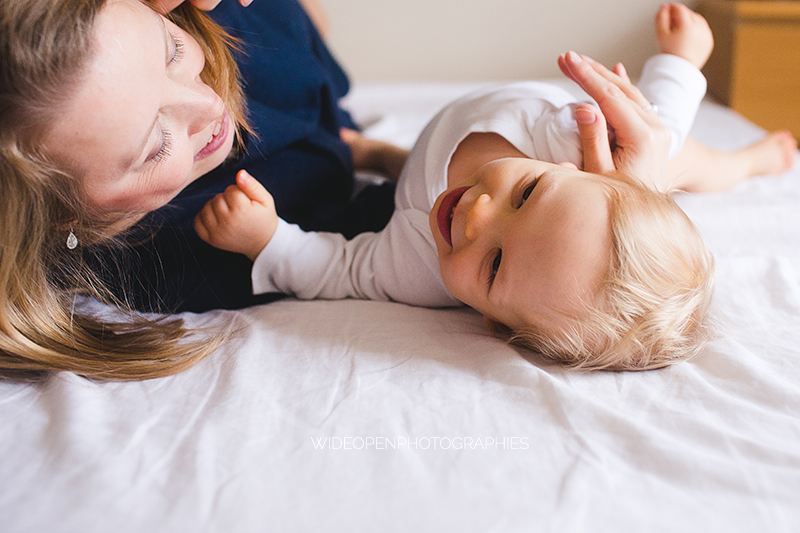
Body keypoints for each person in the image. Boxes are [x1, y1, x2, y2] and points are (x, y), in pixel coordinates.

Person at [195, 4, 798, 370]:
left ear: (493, 323)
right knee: (680, 158)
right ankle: (743, 163)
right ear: (574, 172)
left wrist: (267, 240)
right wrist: (680, 61)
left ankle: (749, 162)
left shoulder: (420, 271)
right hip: (598, 145)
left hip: (428, 157)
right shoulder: (585, 144)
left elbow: (339, 268)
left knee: (411, 174)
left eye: (495, 266)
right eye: (527, 194)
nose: (478, 215)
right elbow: (658, 120)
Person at [0, 0, 405, 380]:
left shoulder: (209, 22)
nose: (209, 105)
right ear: (64, 218)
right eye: (156, 146)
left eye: (172, 53)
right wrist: (389, 160)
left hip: (275, 61)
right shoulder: (180, 253)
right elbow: (364, 246)